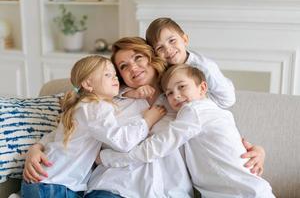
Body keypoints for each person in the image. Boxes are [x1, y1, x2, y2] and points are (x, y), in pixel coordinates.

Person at [23, 37, 265, 198]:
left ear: (152, 58)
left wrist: (257, 149)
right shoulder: (108, 101)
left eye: (138, 58)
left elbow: (219, 132)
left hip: (169, 191)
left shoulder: (184, 99)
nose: (133, 68)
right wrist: (37, 147)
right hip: (114, 188)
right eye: (124, 66)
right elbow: (72, 130)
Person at [100, 64, 275, 197]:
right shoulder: (212, 112)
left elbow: (155, 147)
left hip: (243, 193)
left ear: (203, 88)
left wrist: (108, 158)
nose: (175, 95)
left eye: (182, 87)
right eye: (169, 93)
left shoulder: (194, 111)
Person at [21, 55, 166, 198]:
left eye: (115, 74)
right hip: (56, 185)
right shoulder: (96, 107)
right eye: (108, 74)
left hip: (45, 180)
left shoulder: (81, 105)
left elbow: (55, 135)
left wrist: (37, 146)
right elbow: (122, 142)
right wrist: (147, 120)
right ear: (88, 84)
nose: (115, 78)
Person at [124, 17, 235, 110]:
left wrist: (194, 99)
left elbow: (228, 100)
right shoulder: (163, 68)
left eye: (172, 40)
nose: (168, 50)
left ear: (185, 39)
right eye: (160, 47)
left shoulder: (205, 67)